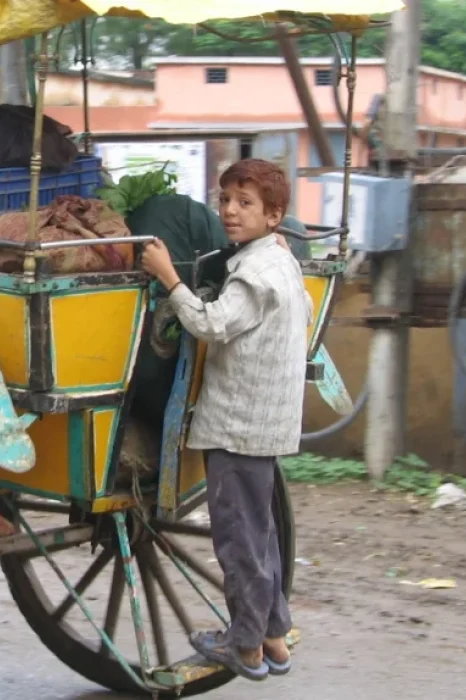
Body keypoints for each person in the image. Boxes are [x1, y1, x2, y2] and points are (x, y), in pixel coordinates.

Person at [139, 159, 311, 682]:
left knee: (238, 538)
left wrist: (169, 278)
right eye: (226, 200)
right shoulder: (280, 262)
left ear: (274, 216)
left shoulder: (255, 274)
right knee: (261, 536)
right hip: (265, 424)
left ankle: (245, 645)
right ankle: (274, 638)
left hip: (239, 425)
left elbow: (210, 324)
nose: (230, 213)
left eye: (246, 204)